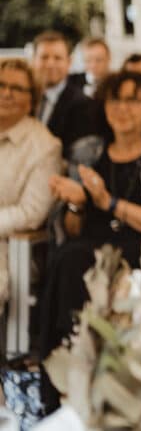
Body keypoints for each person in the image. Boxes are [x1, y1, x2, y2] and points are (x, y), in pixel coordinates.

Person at [38, 70, 141, 412]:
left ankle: (73, 374)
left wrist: (108, 202)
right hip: (86, 251)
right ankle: (69, 378)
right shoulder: (86, 151)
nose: (122, 108)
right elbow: (73, 228)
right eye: (115, 99)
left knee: (75, 261)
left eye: (132, 100)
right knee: (72, 255)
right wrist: (77, 203)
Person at [0, 60, 61, 307]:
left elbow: (31, 214)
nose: (6, 93)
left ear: (32, 98)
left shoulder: (45, 146)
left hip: (8, 248)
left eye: (16, 88)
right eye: (1, 85)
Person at [32, 30, 96, 157]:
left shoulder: (85, 105)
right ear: (34, 60)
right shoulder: (23, 99)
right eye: (44, 57)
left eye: (57, 58)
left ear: (69, 62)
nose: (50, 64)